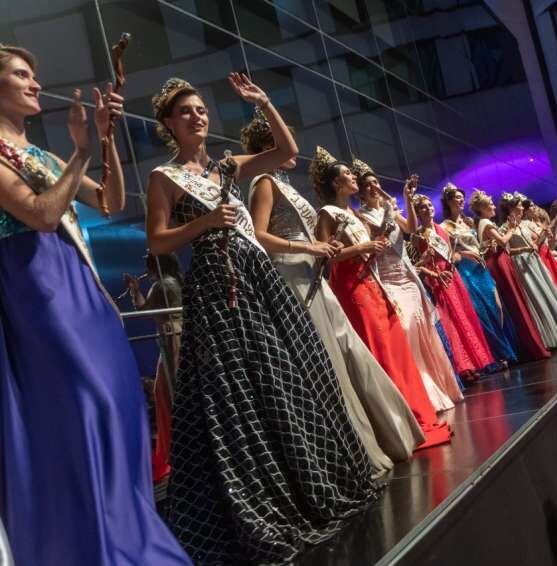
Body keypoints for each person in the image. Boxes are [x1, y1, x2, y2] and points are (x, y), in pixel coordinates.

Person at [146, 77, 379, 564]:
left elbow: (285, 150)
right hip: (216, 282)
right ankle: (258, 491)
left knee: (289, 369)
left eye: (201, 109)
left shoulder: (228, 166)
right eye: (185, 112)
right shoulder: (165, 178)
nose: (198, 116)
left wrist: (265, 103)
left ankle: (306, 475)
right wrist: (204, 223)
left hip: (256, 274)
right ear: (169, 123)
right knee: (237, 386)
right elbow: (159, 242)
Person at [0, 46, 191, 564]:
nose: (35, 83)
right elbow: (40, 214)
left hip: (80, 289)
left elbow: (108, 200)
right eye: (22, 74)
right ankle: (88, 540)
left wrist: (102, 139)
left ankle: (124, 529)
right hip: (39, 289)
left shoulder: (41, 155)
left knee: (119, 402)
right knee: (84, 406)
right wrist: (81, 151)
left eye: (35, 74)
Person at [243, 116, 425, 474]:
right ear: (270, 147)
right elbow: (258, 235)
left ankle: (386, 434)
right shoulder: (263, 182)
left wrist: (325, 247)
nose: (293, 149)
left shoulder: (283, 183)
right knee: (329, 359)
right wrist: (308, 248)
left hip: (311, 273)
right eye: (284, 140)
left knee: (347, 351)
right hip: (293, 277)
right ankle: (351, 450)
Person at [310, 146, 452, 448]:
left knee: (397, 350)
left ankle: (415, 417)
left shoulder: (353, 213)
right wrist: (361, 249)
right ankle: (398, 426)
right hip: (353, 288)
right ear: (336, 183)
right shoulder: (328, 213)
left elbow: (389, 237)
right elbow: (324, 257)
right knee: (382, 351)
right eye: (348, 175)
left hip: (375, 284)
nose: (354, 179)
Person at [352, 158, 462, 410]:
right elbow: (377, 237)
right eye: (366, 185)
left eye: (375, 182)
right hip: (387, 278)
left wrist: (406, 199)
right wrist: (390, 211)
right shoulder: (360, 215)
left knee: (422, 329)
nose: (373, 187)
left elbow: (411, 229)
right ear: (359, 190)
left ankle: (437, 387)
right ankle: (419, 392)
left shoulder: (391, 208)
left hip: (407, 276)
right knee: (406, 329)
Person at [412, 194, 496, 381]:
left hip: (452, 275)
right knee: (450, 321)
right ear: (417, 212)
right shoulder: (417, 235)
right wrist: (435, 274)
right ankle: (463, 367)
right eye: (423, 207)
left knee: (463, 317)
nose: (428, 209)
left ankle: (475, 362)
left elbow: (450, 254)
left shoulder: (440, 230)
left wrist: (456, 262)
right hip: (437, 279)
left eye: (429, 205)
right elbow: (418, 265)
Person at [440, 183, 518, 366]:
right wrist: (466, 254)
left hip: (481, 269)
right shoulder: (445, 226)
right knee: (481, 311)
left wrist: (485, 248)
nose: (461, 200)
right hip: (467, 272)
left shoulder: (467, 222)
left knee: (497, 307)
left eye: (461, 197)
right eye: (457, 198)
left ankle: (504, 349)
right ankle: (499, 355)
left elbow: (478, 246)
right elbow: (450, 255)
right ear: (449, 201)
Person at [124, 252, 184, 485]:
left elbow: (143, 310)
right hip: (173, 336)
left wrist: (134, 290)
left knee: (166, 391)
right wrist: (134, 289)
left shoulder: (163, 285)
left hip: (172, 339)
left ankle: (172, 448)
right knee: (165, 390)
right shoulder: (173, 282)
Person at [469, 189, 550, 361]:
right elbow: (503, 241)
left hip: (500, 260)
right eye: (489, 204)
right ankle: (529, 346)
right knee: (514, 301)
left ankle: (527, 345)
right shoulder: (485, 222)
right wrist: (512, 229)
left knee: (515, 301)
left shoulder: (484, 222)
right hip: (498, 263)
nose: (493, 206)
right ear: (482, 208)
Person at [499, 192, 557, 350]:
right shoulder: (505, 228)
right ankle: (550, 336)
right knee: (536, 296)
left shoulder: (525, 224)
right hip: (521, 264)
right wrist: (524, 248)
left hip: (534, 261)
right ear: (511, 209)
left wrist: (543, 236)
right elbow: (506, 251)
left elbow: (536, 243)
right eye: (519, 205)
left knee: (548, 291)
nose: (522, 208)